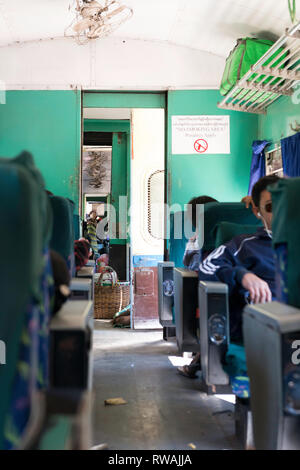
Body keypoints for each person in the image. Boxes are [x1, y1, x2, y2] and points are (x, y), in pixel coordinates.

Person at [177, 176, 281, 378]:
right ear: (257, 211)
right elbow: (204, 266)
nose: (280, 213)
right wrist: (241, 275)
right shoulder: (244, 245)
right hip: (266, 326)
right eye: (270, 207)